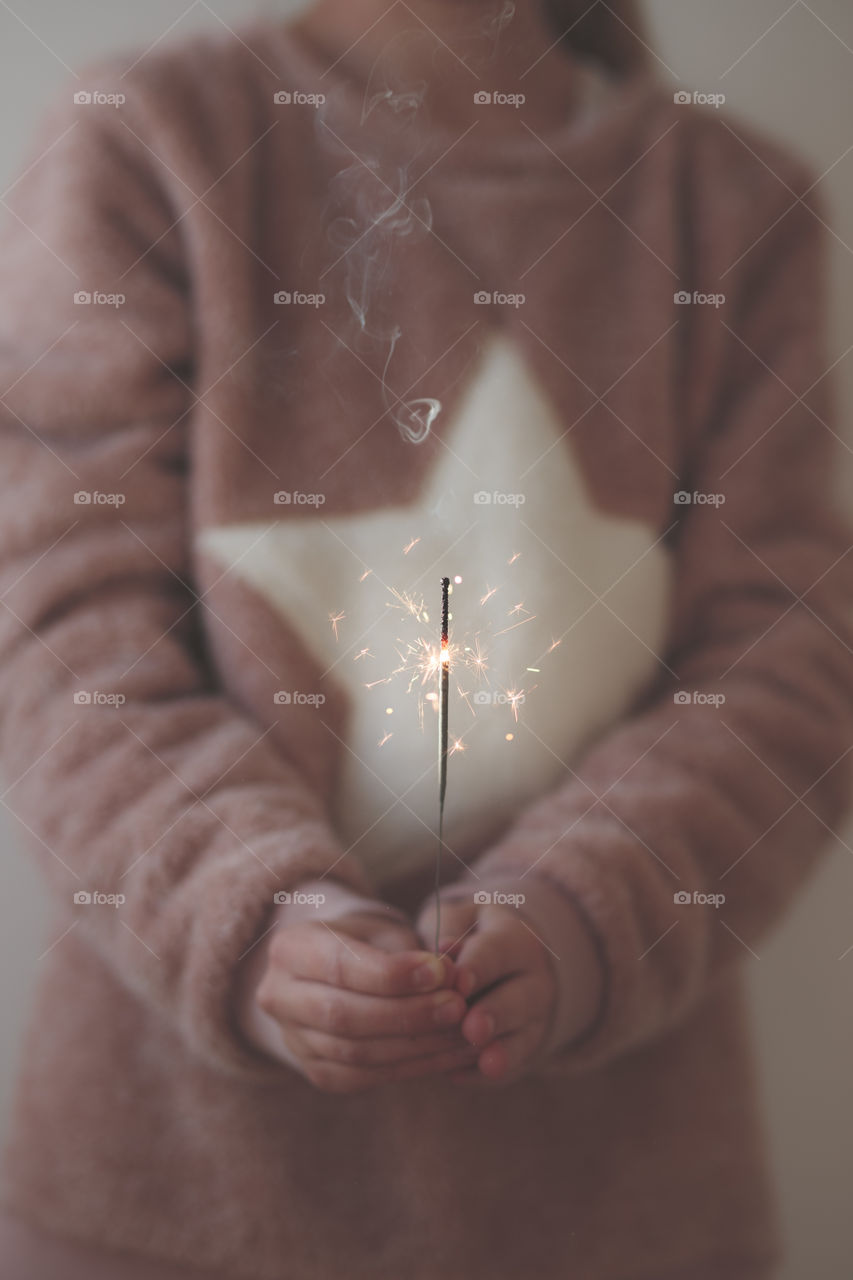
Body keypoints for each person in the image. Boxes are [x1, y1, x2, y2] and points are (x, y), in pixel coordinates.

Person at [0, 1, 850, 1277]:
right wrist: (255, 912)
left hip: (620, 1209)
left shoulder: (739, 211)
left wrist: (590, 908)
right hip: (167, 1194)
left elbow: (790, 660)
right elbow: (62, 627)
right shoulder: (150, 143)